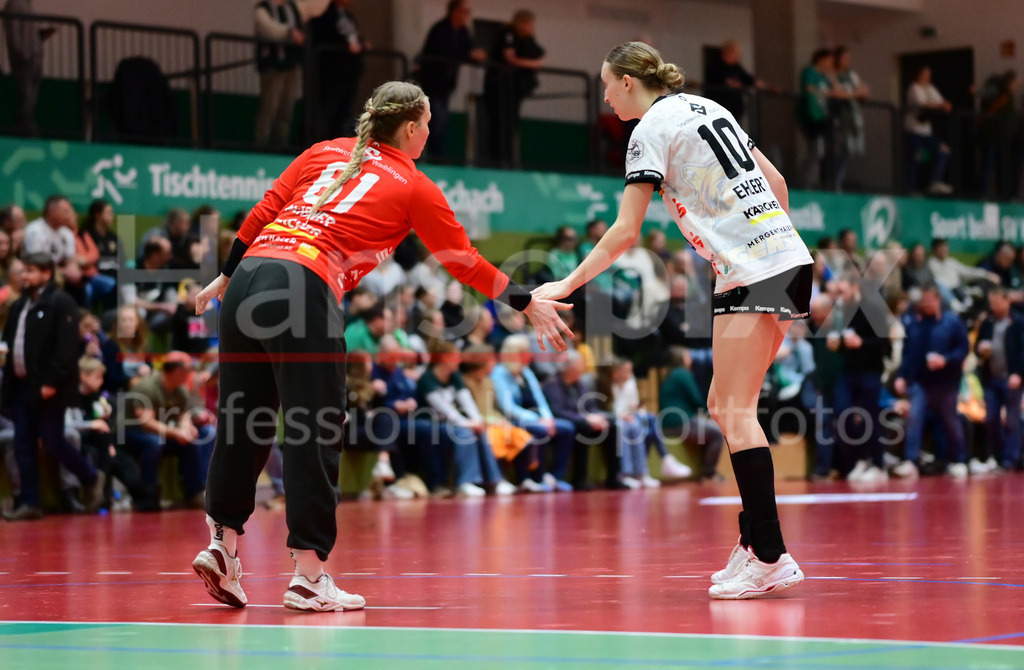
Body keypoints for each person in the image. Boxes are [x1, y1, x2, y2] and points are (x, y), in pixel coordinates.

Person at [191, 80, 572, 612]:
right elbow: (462, 261)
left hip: (251, 277)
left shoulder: (323, 149)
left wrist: (227, 276)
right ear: (412, 129)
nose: (431, 131)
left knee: (244, 421)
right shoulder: (416, 185)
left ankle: (222, 545)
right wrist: (526, 301)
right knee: (313, 431)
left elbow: (263, 211)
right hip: (303, 286)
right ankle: (308, 575)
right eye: (430, 123)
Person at [534, 42, 812, 599]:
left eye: (608, 84)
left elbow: (625, 231)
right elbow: (776, 184)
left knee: (733, 409)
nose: (606, 96)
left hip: (752, 268)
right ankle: (753, 539)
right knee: (726, 405)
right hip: (785, 259)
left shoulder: (649, 131)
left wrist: (564, 284)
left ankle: (771, 554)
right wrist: (757, 236)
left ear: (632, 82)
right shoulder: (711, 107)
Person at [0, 253, 103, 521]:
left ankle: (90, 476)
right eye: (24, 271)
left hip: (48, 388)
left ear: (46, 273)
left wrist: (51, 382)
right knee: (23, 443)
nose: (24, 277)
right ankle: (31, 501)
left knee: (53, 440)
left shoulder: (61, 302)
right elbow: (12, 343)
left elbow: (66, 349)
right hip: (22, 386)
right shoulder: (21, 304)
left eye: (30, 271)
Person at [892, 283, 970, 478]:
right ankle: (911, 461)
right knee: (914, 419)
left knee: (950, 421)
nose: (924, 303)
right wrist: (902, 376)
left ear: (937, 299)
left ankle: (959, 460)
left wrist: (945, 360)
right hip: (921, 383)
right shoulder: (914, 323)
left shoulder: (952, 321)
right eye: (922, 300)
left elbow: (963, 348)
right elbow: (908, 354)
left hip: (946, 383)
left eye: (927, 299)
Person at [414, 0, 486, 158]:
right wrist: (468, 54)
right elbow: (445, 53)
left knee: (441, 121)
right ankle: (432, 157)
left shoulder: (463, 32)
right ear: (455, 11)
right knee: (432, 119)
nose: (466, 15)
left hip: (446, 85)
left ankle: (437, 155)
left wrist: (476, 56)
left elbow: (467, 52)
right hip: (431, 84)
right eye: (464, 11)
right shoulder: (440, 30)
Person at [254, 0, 328, 146]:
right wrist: (289, 33)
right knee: (269, 110)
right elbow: (269, 29)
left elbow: (315, 7)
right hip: (273, 67)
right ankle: (260, 148)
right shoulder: (262, 10)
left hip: (292, 66)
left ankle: (280, 148)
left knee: (286, 112)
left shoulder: (293, 8)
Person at [483, 9, 544, 166]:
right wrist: (529, 64)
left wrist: (532, 64)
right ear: (521, 23)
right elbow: (510, 58)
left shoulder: (527, 40)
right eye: (529, 24)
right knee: (499, 125)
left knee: (510, 126)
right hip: (499, 89)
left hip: (514, 91)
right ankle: (496, 161)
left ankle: (507, 161)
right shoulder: (508, 33)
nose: (531, 28)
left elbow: (539, 57)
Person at [974, 287, 1024, 471]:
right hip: (991, 377)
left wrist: (1018, 373)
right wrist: (980, 349)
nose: (994, 306)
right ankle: (999, 455)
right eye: (991, 303)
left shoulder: (1018, 323)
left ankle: (1011, 459)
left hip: (1011, 378)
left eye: (997, 302)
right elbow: (978, 345)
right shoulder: (987, 322)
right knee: (991, 418)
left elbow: (1022, 352)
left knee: (1012, 419)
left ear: (1007, 301)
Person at [310, 0, 367, 138]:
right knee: (327, 112)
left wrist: (362, 44)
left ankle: (338, 144)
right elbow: (324, 38)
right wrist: (345, 46)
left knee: (344, 113)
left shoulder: (348, 16)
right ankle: (320, 144)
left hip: (349, 73)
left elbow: (354, 37)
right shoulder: (324, 15)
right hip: (332, 74)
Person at [3, 0, 54, 135]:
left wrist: (39, 38)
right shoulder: (14, 5)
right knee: (27, 97)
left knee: (32, 98)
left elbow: (26, 32)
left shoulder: (27, 5)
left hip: (34, 56)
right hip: (25, 59)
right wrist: (23, 54)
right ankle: (28, 131)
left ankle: (26, 129)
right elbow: (13, 33)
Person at [905, 66, 953, 195]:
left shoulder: (930, 88)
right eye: (924, 74)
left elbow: (941, 102)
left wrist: (944, 105)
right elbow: (922, 103)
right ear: (918, 75)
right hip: (913, 129)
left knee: (944, 151)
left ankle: (934, 182)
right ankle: (911, 189)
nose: (927, 77)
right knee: (915, 158)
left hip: (926, 131)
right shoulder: (914, 88)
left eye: (929, 75)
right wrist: (939, 105)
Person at [831, 47, 869, 192]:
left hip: (851, 118)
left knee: (848, 151)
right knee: (836, 150)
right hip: (837, 118)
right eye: (845, 58)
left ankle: (838, 182)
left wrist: (850, 94)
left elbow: (864, 92)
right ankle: (832, 183)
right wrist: (853, 94)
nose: (848, 61)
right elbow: (837, 93)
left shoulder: (851, 75)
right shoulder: (833, 74)